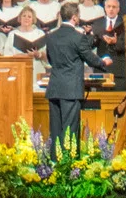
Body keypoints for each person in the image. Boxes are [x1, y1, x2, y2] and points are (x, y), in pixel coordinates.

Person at [39, 14, 110, 153]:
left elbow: (51, 60)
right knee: (70, 130)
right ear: (75, 17)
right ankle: (69, 167)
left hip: (54, 88)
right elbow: (90, 58)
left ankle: (55, 166)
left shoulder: (51, 36)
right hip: (71, 89)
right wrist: (103, 62)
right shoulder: (78, 37)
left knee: (56, 131)